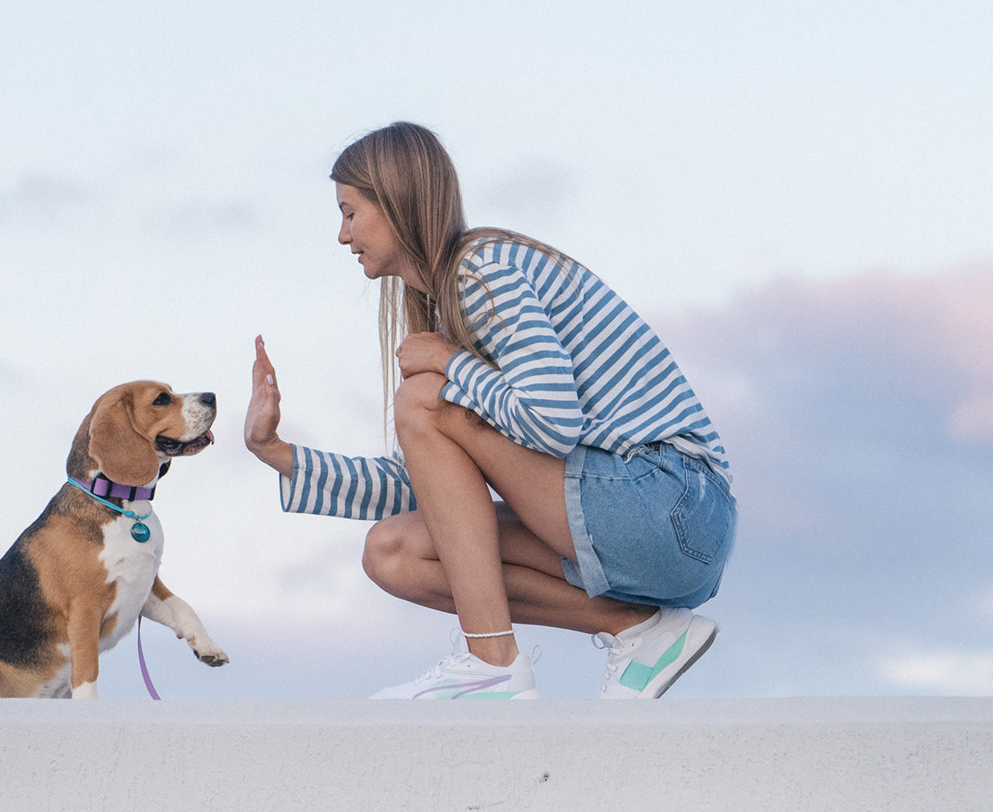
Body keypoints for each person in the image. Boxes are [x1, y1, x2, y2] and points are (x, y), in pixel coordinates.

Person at [242, 122, 734, 699]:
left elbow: (553, 422)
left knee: (421, 400)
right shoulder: (449, 304)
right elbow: (432, 494)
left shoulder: (481, 270)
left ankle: (491, 664)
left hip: (671, 501)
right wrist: (275, 451)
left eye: (351, 212)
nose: (343, 235)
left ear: (396, 201)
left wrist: (450, 363)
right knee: (393, 552)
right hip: (649, 523)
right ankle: (641, 631)